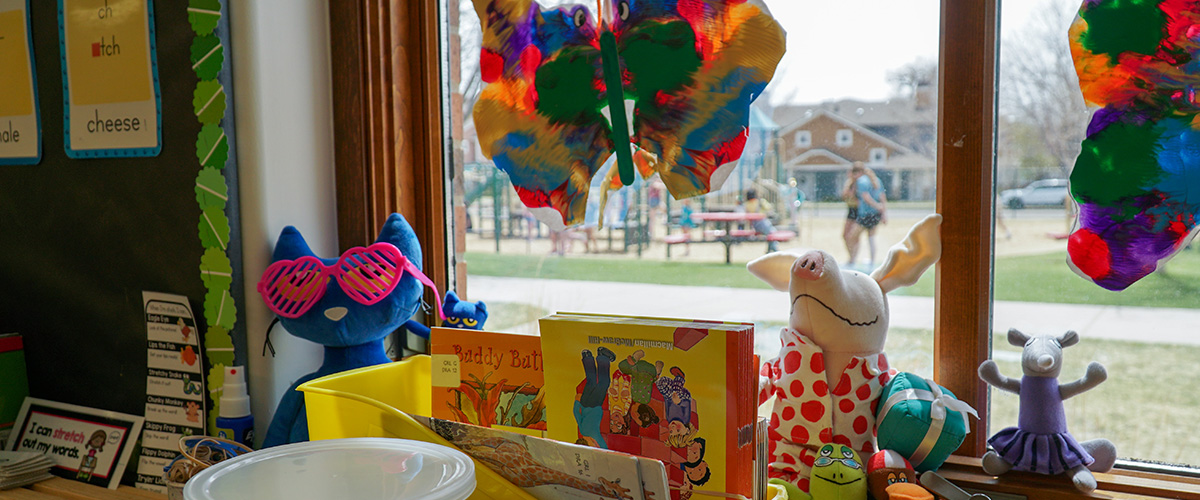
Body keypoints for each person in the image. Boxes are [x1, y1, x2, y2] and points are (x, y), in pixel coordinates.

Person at [849, 165, 888, 269]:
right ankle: (872, 261)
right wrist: (883, 212)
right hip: (876, 214)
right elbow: (882, 197)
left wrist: (876, 206)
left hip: (865, 214)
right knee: (871, 237)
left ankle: (852, 260)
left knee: (852, 236)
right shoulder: (877, 180)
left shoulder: (861, 181)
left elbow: (866, 197)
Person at [841, 167, 863, 264]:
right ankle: (851, 256)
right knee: (845, 235)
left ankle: (853, 258)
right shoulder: (849, 183)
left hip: (858, 210)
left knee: (854, 236)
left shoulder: (861, 184)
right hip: (850, 209)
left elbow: (860, 199)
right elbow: (845, 196)